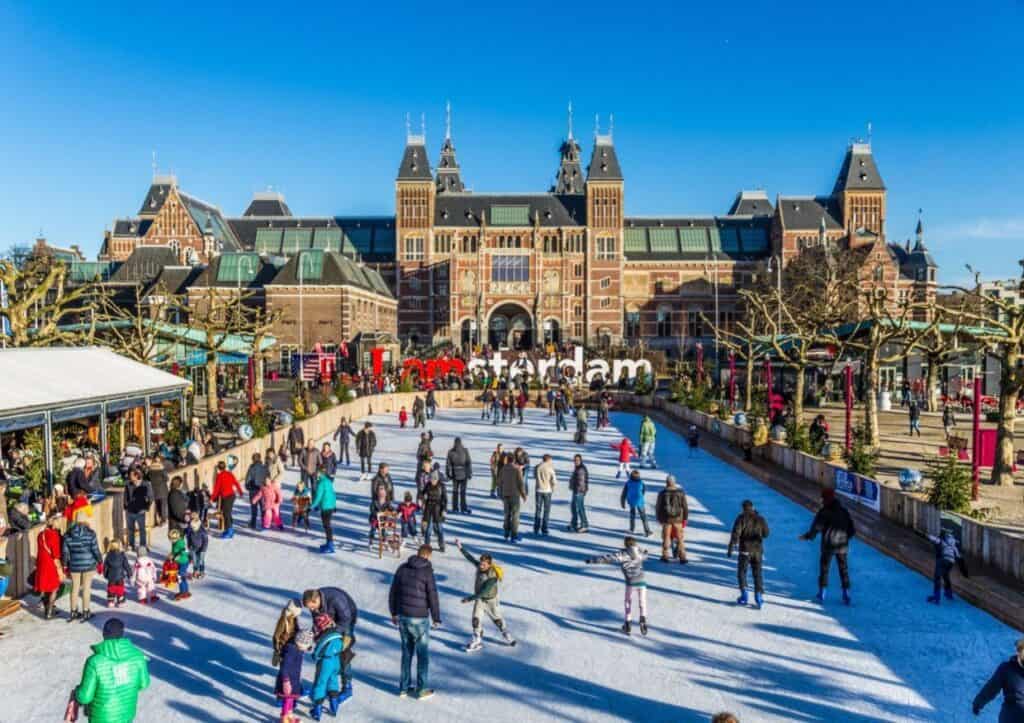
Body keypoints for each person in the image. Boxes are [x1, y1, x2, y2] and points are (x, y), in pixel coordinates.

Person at [388, 544, 442, 700]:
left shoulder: (402, 568)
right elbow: (433, 595)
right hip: (420, 618)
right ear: (427, 556)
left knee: (407, 653)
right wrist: (436, 617)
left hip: (403, 617)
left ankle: (403, 688)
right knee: (422, 655)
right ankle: (421, 689)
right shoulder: (427, 571)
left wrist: (393, 612)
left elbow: (393, 591)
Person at [73, 618, 150, 723]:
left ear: (104, 634)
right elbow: (144, 684)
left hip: (101, 718)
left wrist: (76, 692)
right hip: (126, 715)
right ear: (122, 633)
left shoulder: (95, 662)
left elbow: (85, 697)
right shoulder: (137, 656)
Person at [455, 539, 515, 651]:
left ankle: (505, 633)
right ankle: (477, 639)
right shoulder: (480, 566)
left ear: (489, 564)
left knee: (497, 620)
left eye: (483, 564)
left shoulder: (492, 576)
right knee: (475, 620)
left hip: (491, 600)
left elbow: (483, 592)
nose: (481, 566)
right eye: (481, 563)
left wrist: (469, 599)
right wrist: (460, 547)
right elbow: (471, 558)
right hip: (480, 600)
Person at [799, 487, 856, 604]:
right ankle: (846, 594)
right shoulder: (844, 511)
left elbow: (816, 528)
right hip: (842, 546)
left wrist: (807, 536)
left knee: (824, 569)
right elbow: (852, 530)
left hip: (828, 545)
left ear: (825, 499)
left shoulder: (824, 512)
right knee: (843, 569)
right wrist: (845, 538)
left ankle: (822, 592)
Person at [586, 536, 649, 636]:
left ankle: (628, 623)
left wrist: (593, 560)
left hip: (630, 583)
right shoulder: (640, 552)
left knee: (628, 601)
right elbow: (646, 555)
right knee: (642, 601)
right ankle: (643, 620)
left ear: (625, 544)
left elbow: (608, 558)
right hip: (642, 581)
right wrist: (645, 552)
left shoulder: (622, 554)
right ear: (635, 544)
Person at [728, 499, 770, 609]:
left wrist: (731, 547)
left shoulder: (741, 518)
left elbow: (736, 533)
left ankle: (744, 595)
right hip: (757, 550)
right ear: (753, 507)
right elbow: (766, 534)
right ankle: (758, 596)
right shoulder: (760, 519)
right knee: (757, 573)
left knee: (742, 572)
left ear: (743, 508)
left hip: (745, 550)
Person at [63, 511, 102, 622]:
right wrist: (100, 561)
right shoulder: (91, 533)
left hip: (74, 565)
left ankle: (73, 610)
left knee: (74, 588)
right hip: (88, 564)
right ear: (85, 520)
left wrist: (65, 565)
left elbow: (65, 552)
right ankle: (86, 611)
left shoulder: (68, 534)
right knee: (86, 588)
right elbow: (95, 549)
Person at [972, 638, 1024, 722]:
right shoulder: (1007, 669)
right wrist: (978, 703)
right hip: (1011, 716)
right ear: (1018, 652)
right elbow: (991, 688)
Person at [310, 614, 347, 720]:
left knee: (320, 683)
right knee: (333, 681)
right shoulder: (337, 635)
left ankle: (317, 709)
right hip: (336, 661)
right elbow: (341, 647)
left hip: (325, 663)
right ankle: (334, 706)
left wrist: (314, 656)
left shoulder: (324, 638)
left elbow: (318, 652)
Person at [276, 628, 314, 723]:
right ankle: (284, 717)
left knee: (291, 699)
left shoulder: (298, 648)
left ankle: (289, 715)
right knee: (287, 699)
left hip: (294, 679)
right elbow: (284, 667)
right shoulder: (291, 650)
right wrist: (285, 681)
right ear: (300, 643)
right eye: (305, 647)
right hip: (288, 680)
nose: (305, 649)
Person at [34, 513, 64, 619]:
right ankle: (49, 611)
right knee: (54, 588)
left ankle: (47, 608)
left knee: (45, 587)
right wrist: (60, 570)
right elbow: (55, 555)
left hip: (41, 562)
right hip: (51, 564)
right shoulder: (54, 535)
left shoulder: (40, 534)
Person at [655, 474, 688, 563]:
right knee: (680, 538)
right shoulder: (680, 493)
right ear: (674, 482)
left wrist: (659, 517)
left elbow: (658, 507)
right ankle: (682, 557)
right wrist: (685, 518)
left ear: (666, 482)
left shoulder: (662, 493)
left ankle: (665, 555)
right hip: (678, 519)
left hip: (666, 519)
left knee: (666, 537)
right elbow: (684, 506)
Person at [926, 528, 965, 604]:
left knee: (937, 577)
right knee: (945, 576)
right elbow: (959, 556)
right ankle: (949, 594)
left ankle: (936, 597)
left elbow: (933, 539)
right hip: (951, 562)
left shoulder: (942, 541)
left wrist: (927, 535)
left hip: (943, 559)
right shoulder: (954, 547)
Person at [498, 453, 527, 543]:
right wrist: (523, 495)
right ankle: (514, 535)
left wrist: (500, 494)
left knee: (507, 515)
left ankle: (506, 533)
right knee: (515, 515)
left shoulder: (503, 469)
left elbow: (499, 482)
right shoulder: (517, 469)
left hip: (505, 495)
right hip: (514, 495)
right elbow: (521, 483)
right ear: (514, 460)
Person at [211, 460, 243, 539]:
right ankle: (228, 528)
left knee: (226, 514)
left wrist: (212, 498)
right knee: (227, 513)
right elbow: (236, 483)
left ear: (218, 468)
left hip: (226, 497)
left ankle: (229, 531)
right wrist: (240, 492)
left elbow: (216, 489)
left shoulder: (219, 476)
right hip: (231, 496)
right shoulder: (229, 474)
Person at [311, 466, 338, 554]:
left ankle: (330, 545)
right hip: (329, 506)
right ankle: (328, 543)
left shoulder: (321, 483)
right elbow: (333, 494)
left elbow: (318, 497)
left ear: (320, 473)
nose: (316, 474)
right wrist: (334, 505)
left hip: (325, 507)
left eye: (317, 472)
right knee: (327, 525)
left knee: (327, 526)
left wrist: (311, 506)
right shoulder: (328, 481)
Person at [123, 469, 151, 551]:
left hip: (140, 512)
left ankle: (143, 545)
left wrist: (146, 508)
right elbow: (125, 496)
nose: (129, 477)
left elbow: (150, 497)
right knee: (130, 529)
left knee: (142, 529)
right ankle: (131, 544)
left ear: (136, 476)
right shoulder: (128, 484)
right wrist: (126, 506)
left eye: (131, 475)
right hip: (130, 511)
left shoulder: (145, 484)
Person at [445, 437, 473, 515]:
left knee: (455, 492)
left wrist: (448, 474)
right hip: (464, 474)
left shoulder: (450, 452)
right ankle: (463, 507)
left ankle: (455, 507)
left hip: (455, 474)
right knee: (463, 492)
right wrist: (469, 472)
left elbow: (448, 464)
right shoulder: (465, 450)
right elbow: (468, 462)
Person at [620, 469, 652, 537]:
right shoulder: (641, 482)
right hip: (640, 501)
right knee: (643, 516)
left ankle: (632, 529)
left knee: (632, 516)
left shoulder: (628, 483)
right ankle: (647, 531)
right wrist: (641, 496)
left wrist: (622, 503)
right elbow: (644, 490)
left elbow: (624, 493)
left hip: (631, 501)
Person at [421, 472, 447, 552]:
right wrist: (422, 498)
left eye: (434, 479)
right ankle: (426, 546)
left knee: (439, 529)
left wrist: (444, 510)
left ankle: (442, 545)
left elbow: (444, 499)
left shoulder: (441, 486)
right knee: (428, 529)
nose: (432, 481)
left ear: (437, 479)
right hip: (428, 509)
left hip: (438, 509)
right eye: (431, 479)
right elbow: (422, 493)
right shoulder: (428, 485)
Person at [102, 539, 132, 608]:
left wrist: (105, 574)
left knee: (111, 589)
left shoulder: (108, 556)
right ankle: (120, 601)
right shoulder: (122, 555)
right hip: (120, 576)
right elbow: (126, 565)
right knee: (120, 589)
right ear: (119, 546)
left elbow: (105, 566)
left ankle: (111, 601)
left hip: (111, 577)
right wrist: (129, 573)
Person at [533, 454, 557, 536]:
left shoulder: (537, 467)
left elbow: (534, 476)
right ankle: (544, 528)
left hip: (538, 489)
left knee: (538, 510)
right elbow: (554, 479)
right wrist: (553, 487)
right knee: (546, 510)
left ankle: (536, 528)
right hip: (547, 490)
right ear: (548, 460)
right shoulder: (550, 467)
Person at [246, 452, 270, 530]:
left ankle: (253, 523)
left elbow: (248, 478)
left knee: (254, 508)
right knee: (263, 507)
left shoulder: (251, 468)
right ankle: (264, 523)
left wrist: (248, 486)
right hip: (263, 489)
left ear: (253, 459)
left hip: (253, 489)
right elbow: (268, 477)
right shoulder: (265, 467)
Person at [568, 454, 590, 533]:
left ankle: (584, 525)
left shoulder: (581, 469)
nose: (575, 461)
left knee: (579, 508)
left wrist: (578, 491)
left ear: (580, 460)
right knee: (574, 507)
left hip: (579, 491)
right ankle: (574, 523)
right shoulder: (577, 468)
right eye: (574, 460)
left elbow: (581, 481)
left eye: (577, 460)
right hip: (576, 490)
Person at [146, 455, 170, 526]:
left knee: (158, 505)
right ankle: (164, 520)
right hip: (163, 490)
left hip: (154, 490)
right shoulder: (161, 470)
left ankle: (159, 518)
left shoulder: (150, 470)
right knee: (163, 505)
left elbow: (147, 478)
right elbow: (167, 479)